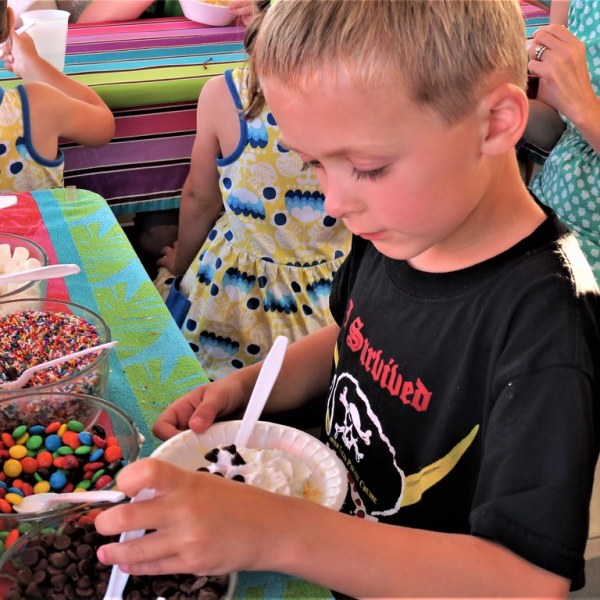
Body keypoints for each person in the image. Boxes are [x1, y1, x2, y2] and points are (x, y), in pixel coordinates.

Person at [95, 1, 600, 597]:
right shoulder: (403, 229)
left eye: (365, 166)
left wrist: (277, 533)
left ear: (494, 123)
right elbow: (352, 336)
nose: (334, 202)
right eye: (315, 164)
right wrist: (247, 387)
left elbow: (527, 581)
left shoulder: (548, 323)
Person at [152, 0, 351, 380]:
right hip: (333, 307)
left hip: (229, 304)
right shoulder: (370, 97)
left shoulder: (224, 93)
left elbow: (200, 199)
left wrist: (181, 267)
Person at [0, 2, 114, 192]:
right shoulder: (37, 105)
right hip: (40, 222)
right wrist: (33, 63)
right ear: (10, 19)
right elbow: (104, 126)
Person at [526, 0, 600, 283]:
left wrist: (585, 106)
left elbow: (578, 107)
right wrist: (490, 105)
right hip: (546, 205)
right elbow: (555, 129)